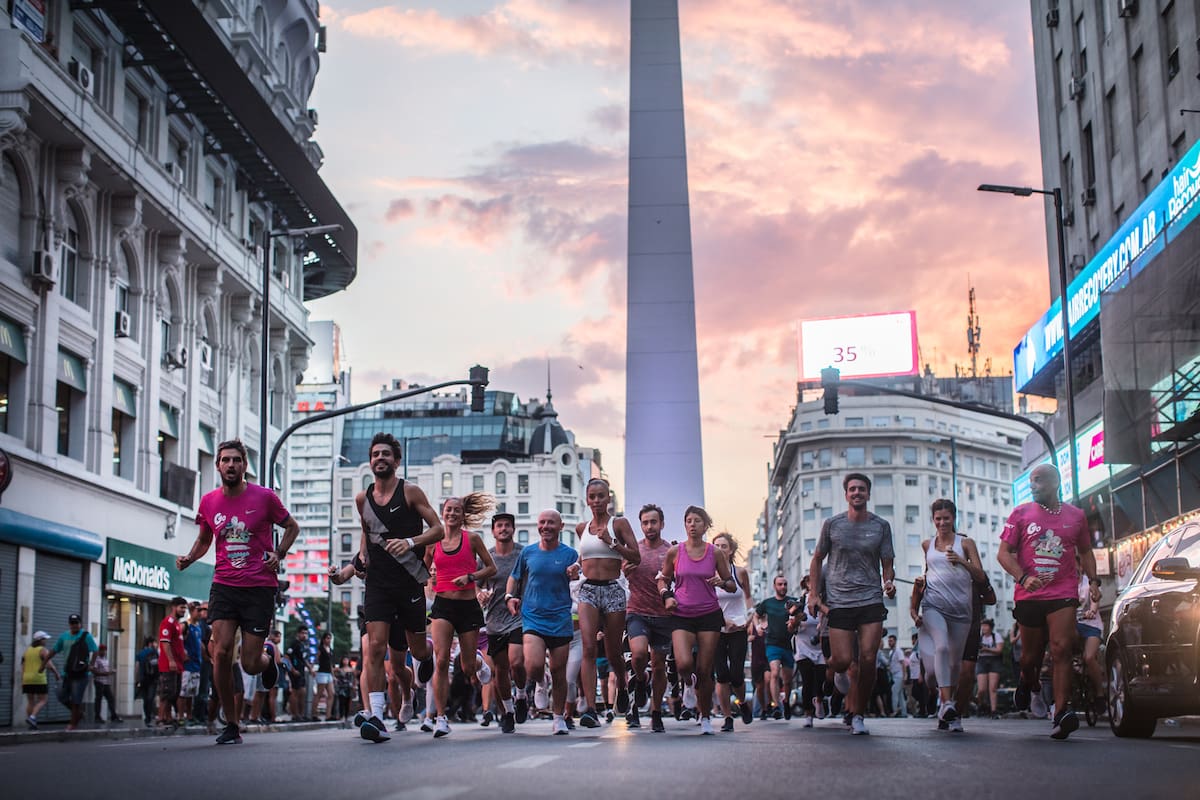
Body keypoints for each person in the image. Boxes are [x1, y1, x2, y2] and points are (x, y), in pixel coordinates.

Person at [177, 437, 297, 745]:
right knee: (220, 651)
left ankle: (269, 660)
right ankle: (231, 724)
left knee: (249, 663)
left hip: (259, 587)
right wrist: (190, 557)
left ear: (245, 465)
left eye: (237, 460)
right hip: (225, 585)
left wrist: (278, 554)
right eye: (225, 460)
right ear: (217, 465)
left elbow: (292, 527)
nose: (231, 465)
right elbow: (205, 539)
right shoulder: (208, 502)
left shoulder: (265, 497)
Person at [997, 464, 1101, 740]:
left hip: (1063, 592)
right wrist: (1022, 577)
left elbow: (1087, 552)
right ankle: (1026, 680)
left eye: (1039, 480)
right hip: (1029, 594)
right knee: (1030, 658)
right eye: (1031, 481)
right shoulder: (1020, 514)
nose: (1033, 485)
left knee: (1061, 649)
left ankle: (1061, 712)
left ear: (1055, 483)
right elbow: (1004, 554)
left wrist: (1093, 582)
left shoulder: (1076, 516)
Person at [354, 432, 443, 743]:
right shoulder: (362, 499)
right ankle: (377, 717)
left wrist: (410, 543)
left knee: (415, 649)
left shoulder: (411, 492)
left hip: (409, 581)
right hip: (378, 583)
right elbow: (367, 532)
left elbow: (438, 529)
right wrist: (361, 559)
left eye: (386, 454)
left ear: (396, 461)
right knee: (375, 648)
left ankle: (426, 653)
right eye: (375, 454)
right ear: (370, 460)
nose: (380, 458)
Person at [808, 473, 896, 736]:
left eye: (862, 489)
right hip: (840, 601)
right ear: (846, 494)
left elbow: (887, 563)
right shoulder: (832, 524)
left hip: (870, 598)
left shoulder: (881, 526)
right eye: (852, 489)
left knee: (868, 659)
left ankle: (858, 714)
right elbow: (817, 559)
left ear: (868, 494)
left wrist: (888, 582)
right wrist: (813, 595)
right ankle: (834, 677)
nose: (857, 493)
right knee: (843, 660)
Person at [658, 505, 735, 736]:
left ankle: (705, 717)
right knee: (683, 664)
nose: (692, 525)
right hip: (681, 614)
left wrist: (721, 583)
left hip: (709, 615)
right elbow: (662, 580)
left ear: (705, 526)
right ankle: (688, 684)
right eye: (689, 521)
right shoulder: (675, 552)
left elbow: (731, 584)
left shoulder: (715, 553)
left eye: (697, 521)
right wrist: (666, 596)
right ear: (685, 525)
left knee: (704, 669)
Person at [426, 494, 498, 738]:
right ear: (442, 513)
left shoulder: (473, 539)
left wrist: (470, 577)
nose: (452, 514)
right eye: (448, 510)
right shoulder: (433, 541)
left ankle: (478, 662)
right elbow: (424, 567)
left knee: (467, 668)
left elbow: (491, 568)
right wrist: (430, 576)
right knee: (442, 660)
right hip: (443, 606)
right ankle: (440, 718)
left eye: (457, 510)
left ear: (463, 515)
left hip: (468, 606)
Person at [911, 499, 985, 733]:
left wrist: (962, 562)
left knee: (954, 665)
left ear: (954, 518)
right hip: (934, 606)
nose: (942, 523)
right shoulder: (927, 545)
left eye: (947, 518)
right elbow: (928, 572)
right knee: (941, 647)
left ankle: (950, 713)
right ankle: (947, 704)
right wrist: (919, 590)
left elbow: (981, 576)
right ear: (933, 520)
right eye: (938, 518)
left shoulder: (966, 543)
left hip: (962, 611)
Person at [506, 509, 580, 735]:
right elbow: (514, 577)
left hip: (560, 618)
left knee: (560, 672)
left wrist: (576, 572)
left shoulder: (570, 554)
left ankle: (558, 718)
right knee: (533, 665)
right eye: (542, 522)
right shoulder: (528, 552)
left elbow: (579, 576)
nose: (546, 526)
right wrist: (510, 597)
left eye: (551, 523)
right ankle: (539, 682)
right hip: (533, 617)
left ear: (561, 526)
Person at [573, 478, 640, 728]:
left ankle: (622, 687)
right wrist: (576, 566)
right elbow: (585, 557)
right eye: (592, 496)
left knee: (613, 651)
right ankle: (590, 709)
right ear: (587, 499)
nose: (597, 501)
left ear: (608, 498)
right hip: (588, 589)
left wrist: (612, 542)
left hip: (613, 588)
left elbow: (636, 556)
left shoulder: (618, 523)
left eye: (601, 496)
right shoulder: (582, 528)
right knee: (589, 647)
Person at [623, 503, 675, 733]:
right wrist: (624, 571)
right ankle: (640, 686)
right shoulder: (634, 550)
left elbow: (680, 580)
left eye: (654, 522)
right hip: (637, 612)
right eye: (645, 522)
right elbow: (618, 577)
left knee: (659, 665)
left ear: (662, 524)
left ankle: (655, 713)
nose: (649, 526)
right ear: (640, 525)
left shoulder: (671, 551)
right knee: (638, 656)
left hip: (664, 616)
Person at [480, 511, 525, 733]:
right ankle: (507, 712)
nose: (503, 529)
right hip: (494, 621)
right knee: (500, 670)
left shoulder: (523, 554)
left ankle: (522, 694)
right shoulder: (487, 557)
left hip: (519, 617)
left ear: (513, 529)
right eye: (499, 526)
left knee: (517, 662)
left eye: (508, 525)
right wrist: (480, 593)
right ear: (493, 531)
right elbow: (476, 583)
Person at [713, 532, 753, 731]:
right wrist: (723, 620)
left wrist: (750, 617)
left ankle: (742, 703)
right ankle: (727, 717)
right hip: (716, 628)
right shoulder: (708, 575)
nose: (720, 549)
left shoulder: (740, 572)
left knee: (736, 675)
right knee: (721, 675)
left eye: (724, 546)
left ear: (731, 550)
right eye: (716, 546)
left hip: (738, 627)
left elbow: (748, 598)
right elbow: (707, 602)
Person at [755, 576, 799, 720]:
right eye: (780, 584)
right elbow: (756, 615)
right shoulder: (768, 603)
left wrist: (794, 619)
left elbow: (801, 616)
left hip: (787, 644)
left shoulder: (792, 601)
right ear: (774, 586)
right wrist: (758, 626)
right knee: (774, 673)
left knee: (787, 679)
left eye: (785, 584)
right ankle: (776, 705)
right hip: (772, 643)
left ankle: (785, 701)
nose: (783, 587)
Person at [51, 613, 97, 731]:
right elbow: (54, 650)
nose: (74, 625)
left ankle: (72, 724)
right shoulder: (64, 636)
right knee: (61, 696)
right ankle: (78, 714)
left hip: (81, 673)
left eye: (76, 623)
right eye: (72, 623)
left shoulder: (86, 636)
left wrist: (91, 665)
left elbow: (95, 650)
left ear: (80, 624)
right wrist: (44, 663)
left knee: (76, 699)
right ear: (69, 624)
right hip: (67, 673)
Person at [793, 576, 826, 727]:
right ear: (806, 584)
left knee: (820, 680)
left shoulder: (824, 600)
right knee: (807, 680)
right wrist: (796, 620)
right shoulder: (799, 604)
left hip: (820, 648)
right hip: (803, 648)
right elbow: (790, 628)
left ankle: (819, 699)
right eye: (811, 582)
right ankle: (808, 714)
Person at [1076, 568, 1106, 716]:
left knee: (1089, 657)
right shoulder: (1063, 585)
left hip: (1091, 626)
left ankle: (1100, 695)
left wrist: (1092, 611)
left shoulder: (1089, 585)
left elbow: (1095, 602)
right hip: (1072, 627)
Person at [157, 596, 187, 727]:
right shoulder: (167, 622)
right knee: (167, 692)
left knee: (174, 693)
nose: (183, 611)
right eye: (181, 608)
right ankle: (161, 718)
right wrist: (171, 660)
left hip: (178, 665)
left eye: (185, 608)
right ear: (173, 607)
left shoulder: (177, 624)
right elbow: (165, 642)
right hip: (169, 665)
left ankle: (168, 718)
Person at [22, 631, 58, 729]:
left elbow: (23, 666)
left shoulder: (27, 650)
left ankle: (31, 722)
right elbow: (49, 664)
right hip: (38, 678)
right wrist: (56, 673)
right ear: (40, 640)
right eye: (44, 639)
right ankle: (33, 717)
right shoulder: (42, 650)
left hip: (27, 679)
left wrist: (23, 679)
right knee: (43, 700)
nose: (46, 641)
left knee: (30, 702)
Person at [179, 602, 203, 724]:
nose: (200, 613)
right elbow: (176, 639)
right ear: (192, 611)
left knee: (192, 692)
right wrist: (182, 653)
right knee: (183, 691)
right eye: (198, 610)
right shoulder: (185, 626)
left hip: (196, 664)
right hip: (187, 665)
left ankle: (189, 715)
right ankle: (180, 716)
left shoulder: (198, 626)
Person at [974, 619, 1003, 718]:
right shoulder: (979, 638)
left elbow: (999, 650)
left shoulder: (996, 636)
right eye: (982, 626)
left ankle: (993, 710)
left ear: (990, 627)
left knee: (993, 687)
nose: (984, 628)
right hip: (982, 660)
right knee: (982, 688)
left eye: (986, 626)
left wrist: (986, 649)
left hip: (994, 660)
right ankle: (981, 704)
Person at [91, 643, 121, 723]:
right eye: (102, 650)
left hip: (106, 682)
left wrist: (109, 673)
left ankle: (113, 715)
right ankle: (97, 716)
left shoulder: (105, 659)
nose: (104, 652)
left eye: (104, 650)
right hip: (99, 682)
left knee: (111, 699)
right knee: (99, 699)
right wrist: (106, 673)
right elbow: (94, 670)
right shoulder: (97, 659)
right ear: (99, 651)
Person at [287, 628, 311, 721]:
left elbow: (303, 659)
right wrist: (292, 670)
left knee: (302, 693)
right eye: (302, 633)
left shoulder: (303, 645)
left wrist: (310, 669)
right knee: (295, 693)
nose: (304, 635)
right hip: (295, 672)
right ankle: (295, 714)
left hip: (301, 671)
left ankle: (301, 714)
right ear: (298, 634)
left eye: (306, 633)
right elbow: (286, 657)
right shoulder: (294, 644)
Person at [134, 635, 158, 726]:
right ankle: (151, 715)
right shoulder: (154, 652)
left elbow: (137, 667)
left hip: (143, 679)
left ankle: (147, 717)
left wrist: (137, 679)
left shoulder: (140, 653)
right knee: (150, 698)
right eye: (155, 643)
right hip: (153, 679)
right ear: (150, 643)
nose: (156, 644)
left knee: (145, 698)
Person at [883, 634, 907, 719]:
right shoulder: (891, 652)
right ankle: (904, 712)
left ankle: (894, 711)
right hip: (894, 675)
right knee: (900, 695)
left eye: (891, 641)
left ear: (895, 641)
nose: (889, 642)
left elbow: (903, 664)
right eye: (889, 641)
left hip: (899, 675)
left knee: (894, 693)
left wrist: (905, 676)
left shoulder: (898, 651)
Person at [314, 632, 335, 721]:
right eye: (327, 638)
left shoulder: (330, 649)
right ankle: (314, 713)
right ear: (323, 639)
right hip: (321, 672)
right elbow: (316, 659)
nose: (329, 640)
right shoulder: (320, 649)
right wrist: (312, 668)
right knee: (319, 693)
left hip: (328, 673)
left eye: (330, 638)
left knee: (331, 693)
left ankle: (328, 715)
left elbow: (330, 663)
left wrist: (333, 675)